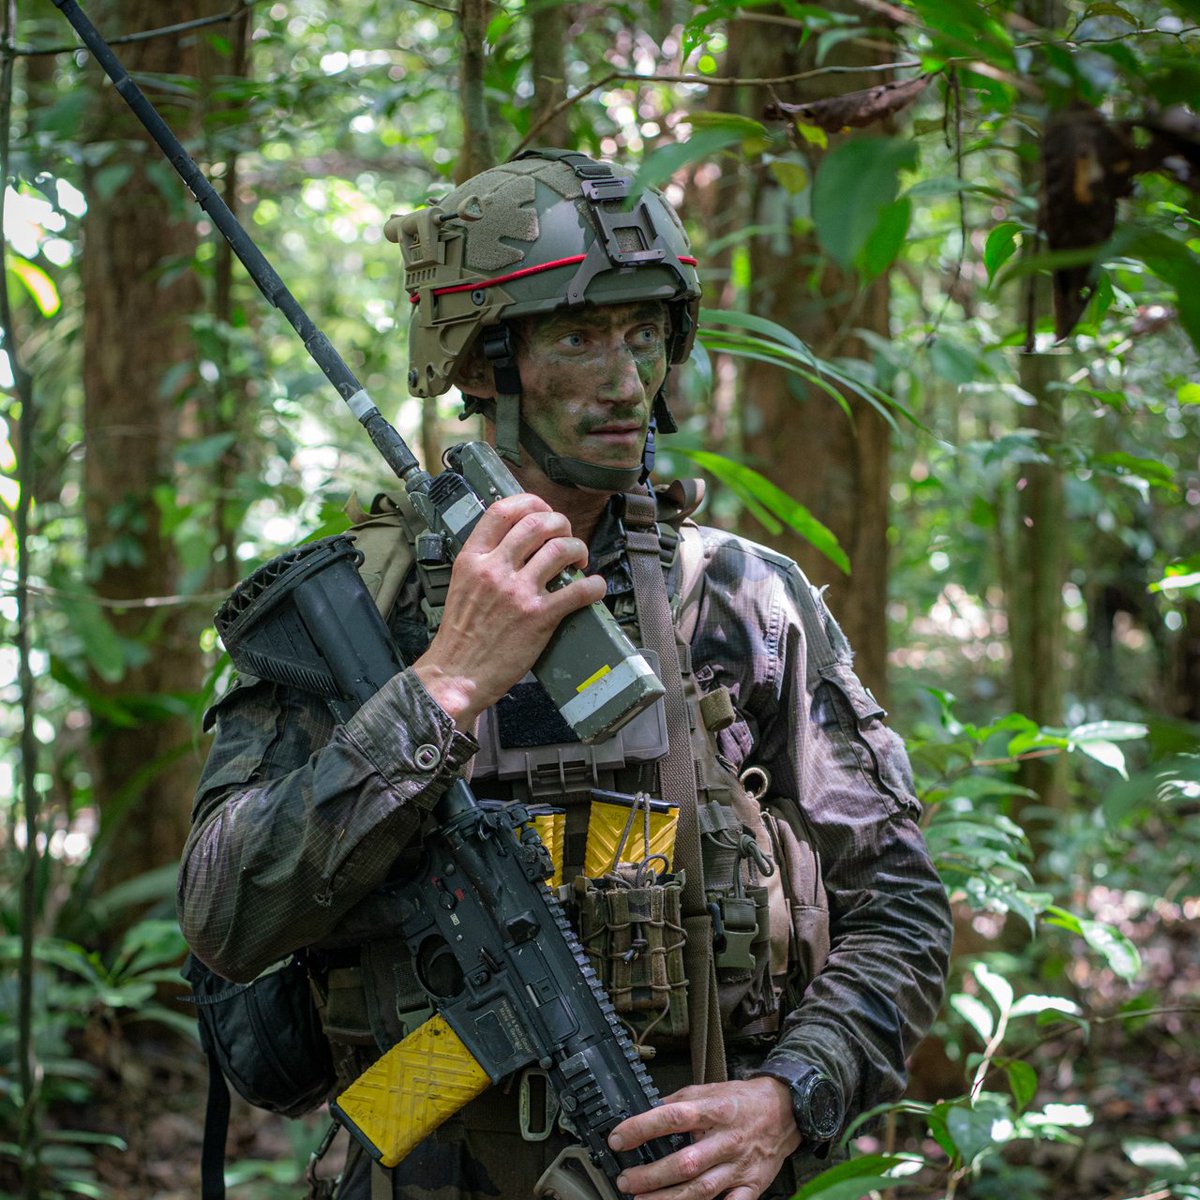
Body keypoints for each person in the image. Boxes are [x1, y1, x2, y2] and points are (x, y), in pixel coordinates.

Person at [178, 148, 952, 1200]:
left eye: (645, 337)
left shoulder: (744, 601)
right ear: (486, 361)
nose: (627, 381)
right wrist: (444, 685)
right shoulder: (349, 614)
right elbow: (226, 917)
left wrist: (787, 1099)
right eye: (581, 338)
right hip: (420, 1163)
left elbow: (899, 906)